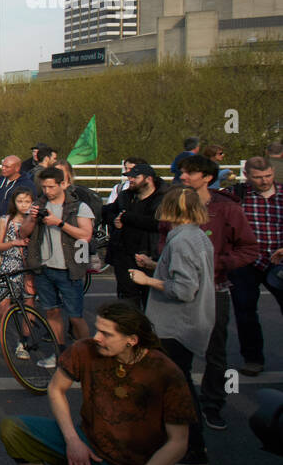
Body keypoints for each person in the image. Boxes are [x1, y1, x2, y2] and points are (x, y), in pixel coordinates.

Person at [0, 303, 200, 465]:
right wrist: (73, 440)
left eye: (106, 334)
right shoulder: (84, 350)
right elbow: (55, 389)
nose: (96, 338)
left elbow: (178, 443)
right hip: (90, 446)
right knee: (13, 430)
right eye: (97, 329)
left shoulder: (166, 372)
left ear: (132, 340)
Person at [153, 154, 259, 438]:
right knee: (176, 356)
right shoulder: (176, 205)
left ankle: (211, 405)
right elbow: (165, 241)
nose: (183, 176)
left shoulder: (227, 208)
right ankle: (182, 415)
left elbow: (249, 250)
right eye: (182, 172)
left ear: (208, 177)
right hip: (177, 294)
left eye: (190, 172)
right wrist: (162, 262)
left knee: (215, 352)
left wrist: (214, 264)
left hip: (214, 291)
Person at [128, 186, 214, 465]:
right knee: (176, 385)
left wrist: (147, 280)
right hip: (188, 323)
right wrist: (156, 265)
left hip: (177, 325)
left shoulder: (182, 241)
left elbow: (184, 289)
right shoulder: (196, 236)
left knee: (177, 389)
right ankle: (181, 444)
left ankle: (191, 448)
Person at [20, 166, 94, 367]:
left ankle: (87, 355)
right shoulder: (38, 204)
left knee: (75, 316)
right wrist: (32, 218)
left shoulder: (78, 207)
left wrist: (59, 223)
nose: (47, 191)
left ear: (63, 184)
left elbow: (85, 235)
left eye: (51, 187)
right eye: (44, 187)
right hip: (44, 268)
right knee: (51, 311)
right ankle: (59, 352)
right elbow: (23, 234)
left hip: (69, 269)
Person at [228, 156, 282, 376]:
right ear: (247, 176)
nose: (264, 181)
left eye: (268, 176)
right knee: (245, 312)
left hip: (278, 260)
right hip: (245, 262)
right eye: (258, 177)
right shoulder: (236, 195)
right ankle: (252, 359)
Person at [100, 163, 167, 309]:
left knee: (152, 304)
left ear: (148, 179)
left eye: (135, 177)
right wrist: (115, 219)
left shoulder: (163, 199)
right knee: (127, 304)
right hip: (124, 257)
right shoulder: (125, 196)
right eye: (129, 177)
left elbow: (157, 224)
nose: (130, 180)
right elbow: (108, 211)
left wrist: (126, 217)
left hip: (149, 256)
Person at [0, 188, 36, 358]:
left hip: (28, 267)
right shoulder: (6, 220)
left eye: (27, 201)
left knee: (28, 304)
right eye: (20, 201)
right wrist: (15, 243)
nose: (23, 205)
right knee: (2, 305)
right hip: (8, 265)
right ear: (14, 202)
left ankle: (24, 342)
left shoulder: (36, 221)